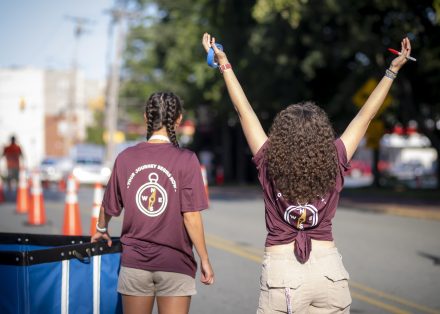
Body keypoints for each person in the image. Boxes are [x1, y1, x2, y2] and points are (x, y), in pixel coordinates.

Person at [202, 33, 411, 313]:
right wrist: (391, 70)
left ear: (282, 134)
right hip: (329, 270)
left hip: (282, 272)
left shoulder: (268, 159)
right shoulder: (335, 156)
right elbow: (365, 117)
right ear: (322, 135)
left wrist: (224, 64)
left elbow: (244, 111)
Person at [91, 92, 214, 314]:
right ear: (178, 119)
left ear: (146, 117)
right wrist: (204, 258)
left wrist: (101, 229)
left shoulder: (126, 157)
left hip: (135, 264)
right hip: (176, 263)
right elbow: (191, 216)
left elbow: (108, 205)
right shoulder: (186, 159)